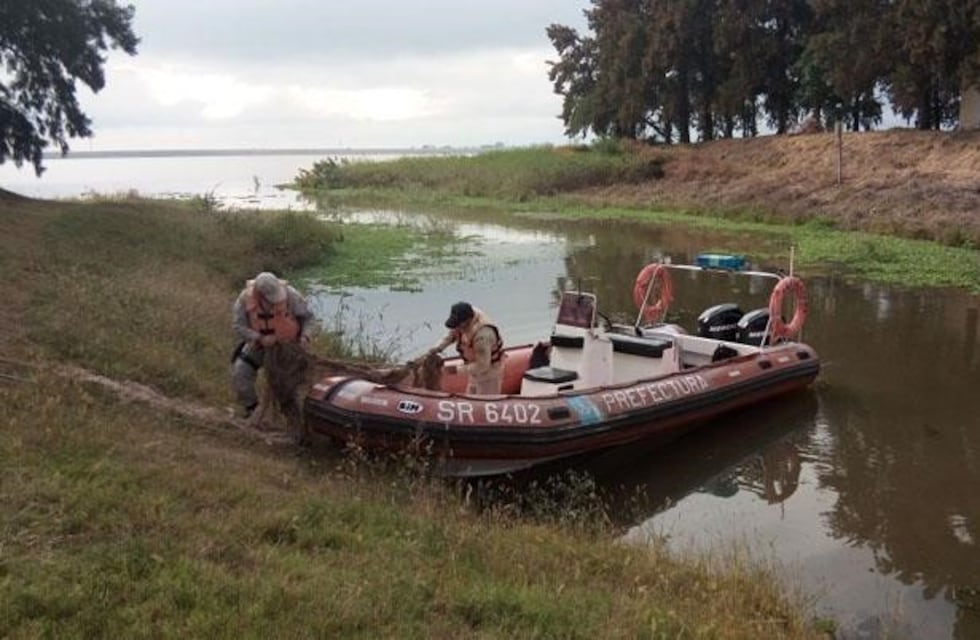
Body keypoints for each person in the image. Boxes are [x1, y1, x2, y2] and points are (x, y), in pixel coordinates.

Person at [231, 271, 316, 417]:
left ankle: (292, 417)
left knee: (287, 386)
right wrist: (258, 337)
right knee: (240, 372)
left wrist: (305, 337)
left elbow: (309, 318)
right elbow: (238, 326)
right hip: (258, 346)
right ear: (259, 294)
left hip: (288, 348)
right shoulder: (245, 298)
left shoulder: (291, 295)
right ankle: (252, 410)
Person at [431, 301, 504, 395]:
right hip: (473, 369)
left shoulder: (483, 336)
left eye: (459, 325)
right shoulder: (465, 316)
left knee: (483, 403)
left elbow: (483, 366)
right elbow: (451, 335)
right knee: (471, 396)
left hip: (488, 372)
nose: (457, 328)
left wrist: (456, 370)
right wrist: (437, 348)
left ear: (468, 320)